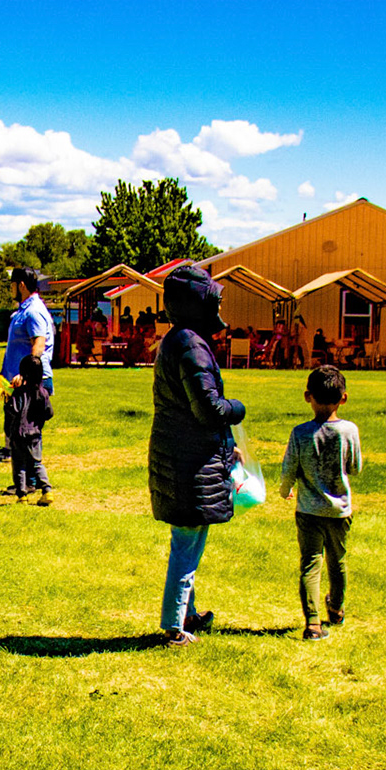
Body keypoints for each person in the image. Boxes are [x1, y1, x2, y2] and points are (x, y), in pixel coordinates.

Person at [148, 264, 245, 646]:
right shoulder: (189, 345)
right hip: (187, 461)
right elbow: (208, 408)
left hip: (185, 454)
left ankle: (187, 613)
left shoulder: (181, 340)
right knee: (186, 544)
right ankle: (175, 627)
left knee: (190, 538)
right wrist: (236, 408)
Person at [279, 364, 364, 641]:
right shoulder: (349, 430)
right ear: (344, 397)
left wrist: (285, 490)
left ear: (308, 396)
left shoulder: (300, 433)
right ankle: (336, 609)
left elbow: (289, 468)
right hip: (340, 511)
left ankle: (313, 623)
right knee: (338, 561)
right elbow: (355, 468)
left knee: (310, 564)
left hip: (308, 511)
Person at [0, 267, 54, 460]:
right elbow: (15, 347)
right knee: (14, 421)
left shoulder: (34, 311)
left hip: (30, 379)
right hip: (16, 379)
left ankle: (31, 469)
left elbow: (39, 344)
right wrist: (4, 373)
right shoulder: (23, 311)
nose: (11, 289)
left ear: (21, 285)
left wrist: (26, 375)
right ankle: (15, 457)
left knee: (27, 426)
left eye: (12, 285)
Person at [4, 353, 54, 505]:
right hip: (35, 434)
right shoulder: (43, 393)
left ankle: (22, 495)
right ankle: (47, 490)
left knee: (20, 465)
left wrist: (7, 400)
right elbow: (49, 413)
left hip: (19, 434)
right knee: (37, 463)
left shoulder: (19, 393)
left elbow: (12, 410)